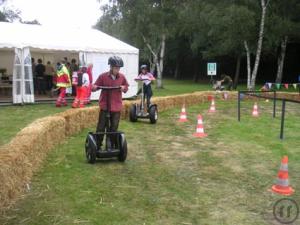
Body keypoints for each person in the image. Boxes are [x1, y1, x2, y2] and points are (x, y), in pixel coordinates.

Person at [92, 56, 129, 150]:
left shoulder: (122, 77)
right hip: (105, 106)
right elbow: (95, 85)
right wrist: (95, 87)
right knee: (101, 127)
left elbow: (126, 86)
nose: (117, 70)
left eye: (119, 68)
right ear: (111, 67)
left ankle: (111, 145)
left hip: (116, 106)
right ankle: (97, 146)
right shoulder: (103, 76)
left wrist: (124, 88)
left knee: (114, 128)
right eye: (116, 68)